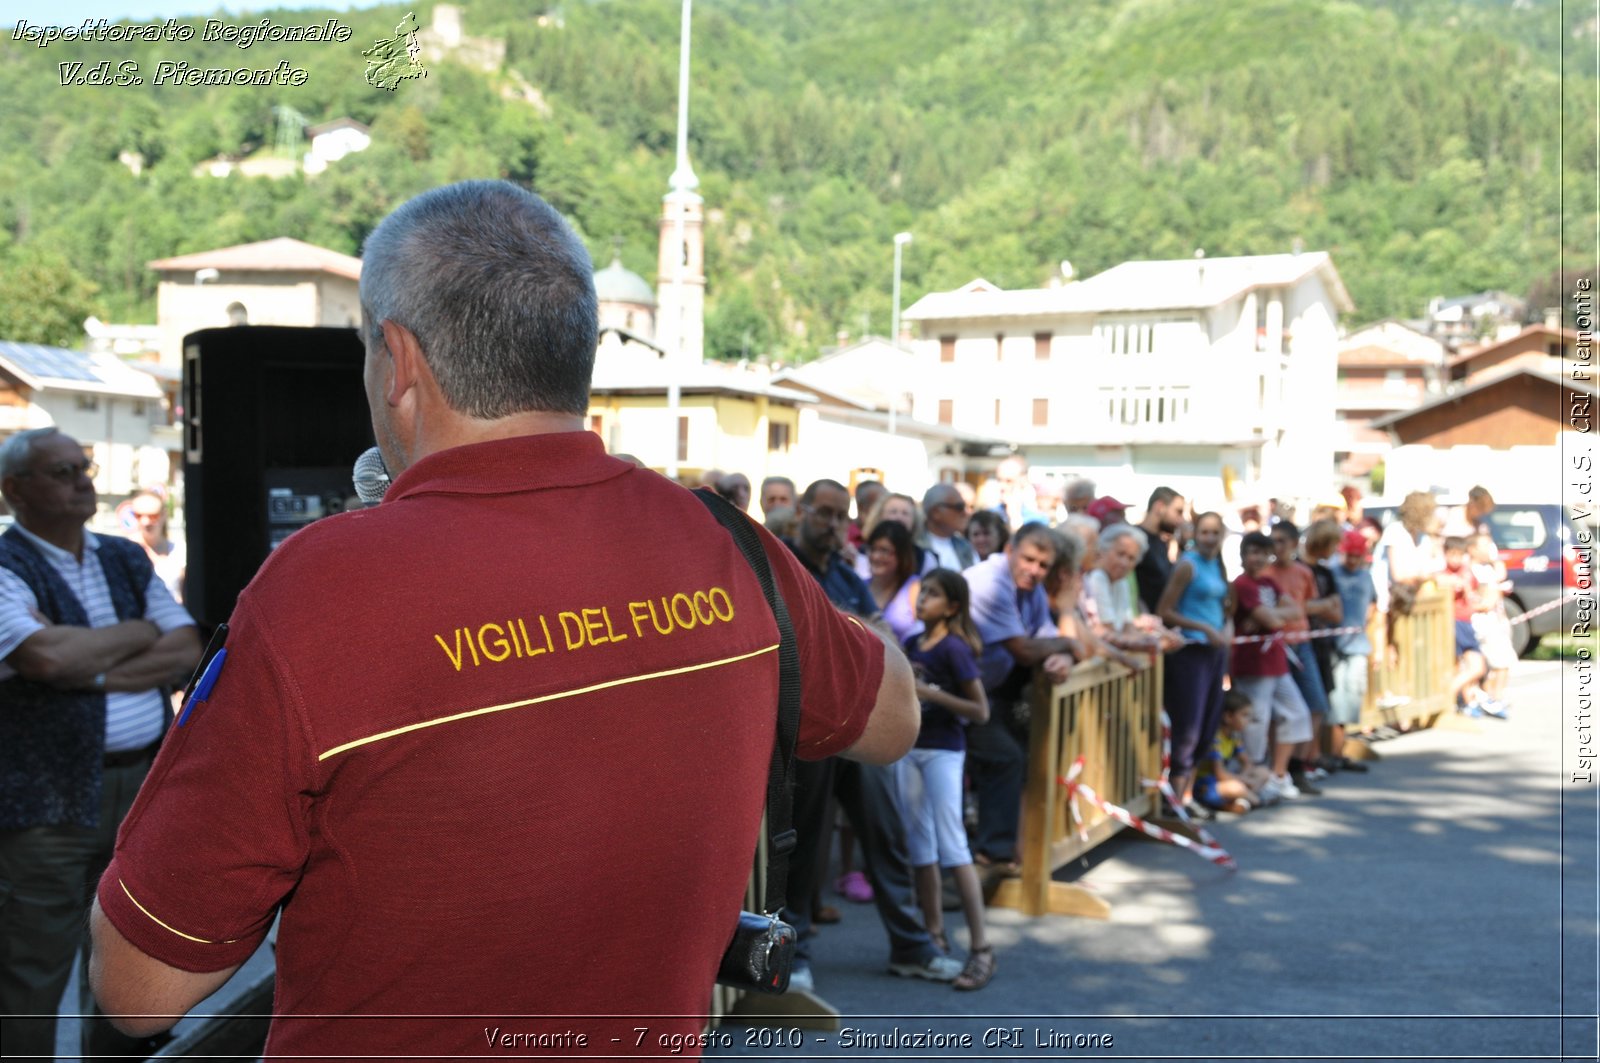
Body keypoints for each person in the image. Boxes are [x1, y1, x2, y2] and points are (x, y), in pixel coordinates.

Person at [88, 182, 920, 1056]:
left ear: (397, 360)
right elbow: (894, 714)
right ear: (577, 349)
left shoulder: (321, 592)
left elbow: (138, 986)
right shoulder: (727, 545)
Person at [0, 427, 202, 1062]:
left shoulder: (122, 555)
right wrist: (138, 634)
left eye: (81, 466)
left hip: (138, 783)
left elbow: (186, 647)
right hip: (47, 801)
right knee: (32, 965)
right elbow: (43, 657)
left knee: (125, 953)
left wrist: (84, 662)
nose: (82, 480)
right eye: (61, 472)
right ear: (14, 491)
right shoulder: (7, 565)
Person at [781, 478, 959, 990]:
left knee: (886, 832)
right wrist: (850, 630)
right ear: (803, 512)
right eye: (824, 513)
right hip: (806, 727)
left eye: (841, 516)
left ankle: (912, 946)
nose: (834, 524)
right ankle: (793, 956)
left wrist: (838, 626)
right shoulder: (783, 566)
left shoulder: (844, 573)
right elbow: (795, 635)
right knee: (804, 843)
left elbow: (882, 638)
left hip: (859, 725)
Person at [893, 569, 996, 991]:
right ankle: (932, 934)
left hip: (944, 753)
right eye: (923, 592)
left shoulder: (954, 648)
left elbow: (980, 710)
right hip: (911, 749)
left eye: (934, 595)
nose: (923, 600)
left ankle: (981, 947)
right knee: (920, 844)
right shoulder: (914, 644)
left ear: (952, 606)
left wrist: (931, 694)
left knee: (953, 844)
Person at [965, 524, 1081, 871]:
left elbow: (1045, 639)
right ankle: (991, 857)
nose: (1035, 570)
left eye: (1043, 565)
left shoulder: (1028, 588)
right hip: (952, 696)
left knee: (1018, 755)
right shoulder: (990, 581)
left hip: (988, 692)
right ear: (1010, 548)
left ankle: (1000, 854)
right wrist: (1066, 646)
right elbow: (1024, 649)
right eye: (1029, 559)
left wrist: (1064, 655)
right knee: (1005, 756)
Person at [1154, 511, 1234, 814]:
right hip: (1190, 652)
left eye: (1215, 532)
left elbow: (1222, 605)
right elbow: (1166, 610)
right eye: (1205, 532)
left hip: (1213, 653)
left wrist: (1222, 628)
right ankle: (1173, 799)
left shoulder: (1218, 564)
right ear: (1196, 534)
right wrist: (1204, 629)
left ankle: (1186, 796)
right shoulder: (1187, 565)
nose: (1210, 538)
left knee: (1208, 722)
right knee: (1188, 724)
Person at [1229, 531, 1316, 802]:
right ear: (1243, 556)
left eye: (1261, 553)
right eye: (1251, 552)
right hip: (1252, 663)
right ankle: (1254, 772)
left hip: (1276, 661)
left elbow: (1293, 612)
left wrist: (1272, 617)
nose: (1256, 558)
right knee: (1256, 719)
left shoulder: (1268, 583)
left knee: (1296, 712)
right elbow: (1273, 619)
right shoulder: (1242, 584)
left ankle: (1278, 774)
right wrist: (1272, 617)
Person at [1268, 520, 1338, 792]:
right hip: (1277, 644)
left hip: (1303, 642)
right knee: (1283, 709)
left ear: (1295, 543)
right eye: (1274, 541)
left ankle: (1300, 763)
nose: (1278, 548)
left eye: (1282, 541)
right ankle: (1278, 766)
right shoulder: (1268, 573)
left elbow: (1310, 604)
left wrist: (1312, 607)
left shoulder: (1303, 572)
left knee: (1316, 704)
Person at [1324, 529, 1378, 771]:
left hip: (1357, 643)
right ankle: (1332, 751)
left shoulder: (1366, 577)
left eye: (1358, 556)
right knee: (1335, 699)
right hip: (1334, 643)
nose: (1353, 561)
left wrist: (1369, 627)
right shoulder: (1333, 573)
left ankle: (1339, 750)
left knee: (1352, 695)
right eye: (1350, 555)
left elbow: (1373, 604)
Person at [1192, 693, 1271, 814]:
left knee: (1263, 772)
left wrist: (1244, 777)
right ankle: (1256, 800)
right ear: (1228, 717)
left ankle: (1241, 801)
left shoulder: (1234, 736)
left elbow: (1247, 763)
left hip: (1225, 780)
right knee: (1236, 787)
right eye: (1244, 715)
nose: (1248, 720)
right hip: (1206, 785)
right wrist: (1245, 781)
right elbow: (1220, 774)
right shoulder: (1215, 738)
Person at [1469, 532, 1517, 706]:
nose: (1489, 550)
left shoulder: (1487, 567)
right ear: (1472, 549)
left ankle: (1496, 696)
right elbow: (1485, 599)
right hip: (1484, 621)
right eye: (1485, 546)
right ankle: (1494, 697)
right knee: (1498, 661)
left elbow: (1500, 573)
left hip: (1496, 618)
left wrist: (1494, 557)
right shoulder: (1472, 570)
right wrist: (1491, 596)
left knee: (1502, 661)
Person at [119, 487, 186, 603]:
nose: (146, 522)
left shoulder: (179, 550)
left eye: (152, 516)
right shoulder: (124, 550)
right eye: (139, 515)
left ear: (164, 515)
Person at [864, 520, 924, 643]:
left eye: (884, 551)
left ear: (902, 555)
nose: (875, 556)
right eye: (872, 549)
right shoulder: (859, 585)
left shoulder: (914, 587)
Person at [1134, 487, 1184, 613]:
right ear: (1160, 506)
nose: (1181, 519)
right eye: (1178, 512)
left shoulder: (1161, 543)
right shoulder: (1134, 540)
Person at [920, 482, 977, 571]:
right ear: (936, 512)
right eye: (959, 507)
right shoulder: (914, 549)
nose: (965, 513)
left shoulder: (966, 547)